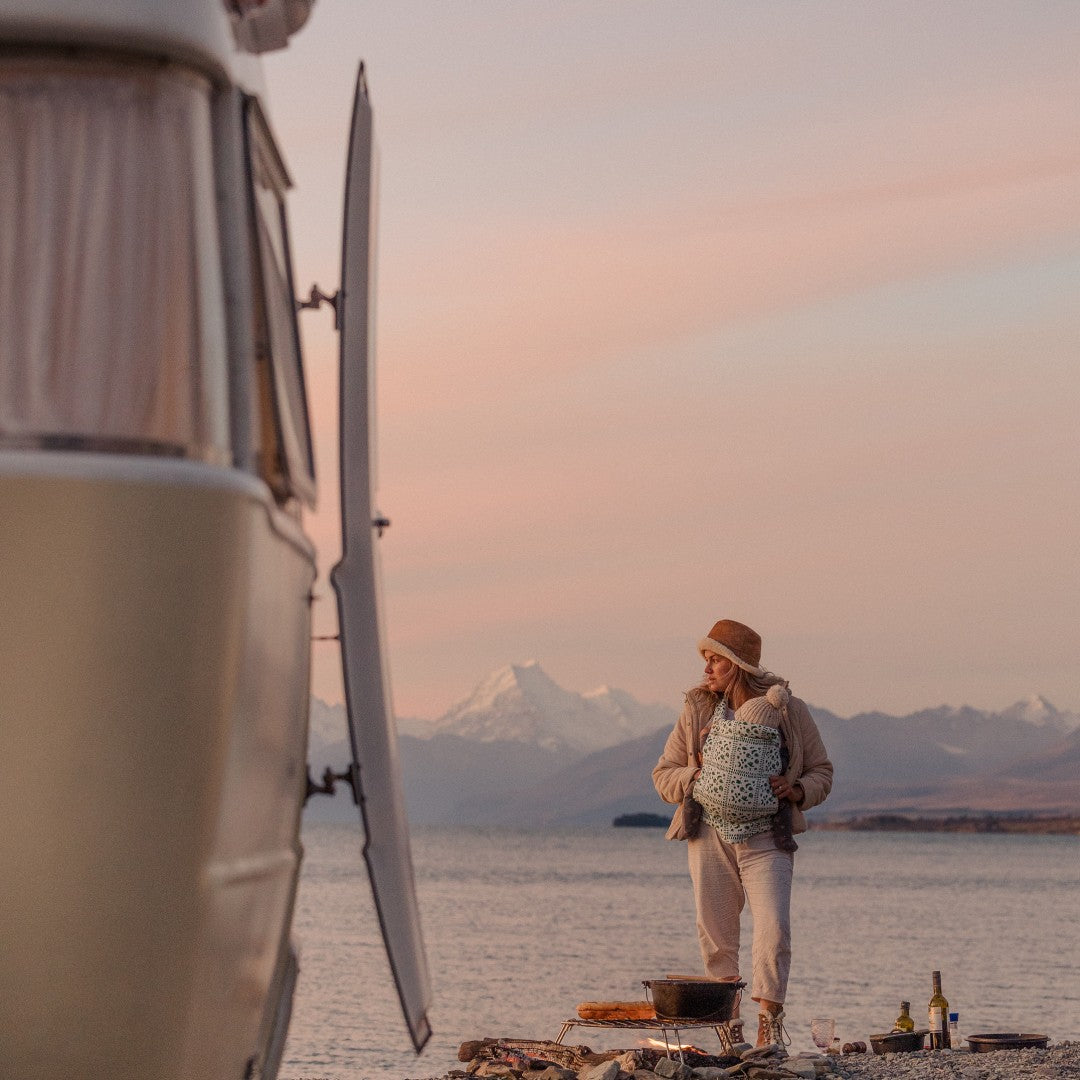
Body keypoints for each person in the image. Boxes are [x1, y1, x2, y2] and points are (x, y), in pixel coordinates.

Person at [652, 619, 833, 1050]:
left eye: (715, 659)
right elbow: (663, 775)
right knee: (716, 935)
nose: (707, 668)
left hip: (768, 835)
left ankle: (768, 1032)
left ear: (736, 664)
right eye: (706, 660)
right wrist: (699, 775)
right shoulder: (696, 708)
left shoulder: (790, 710)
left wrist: (798, 789)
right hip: (708, 834)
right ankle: (729, 1034)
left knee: (773, 931)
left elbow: (822, 771)